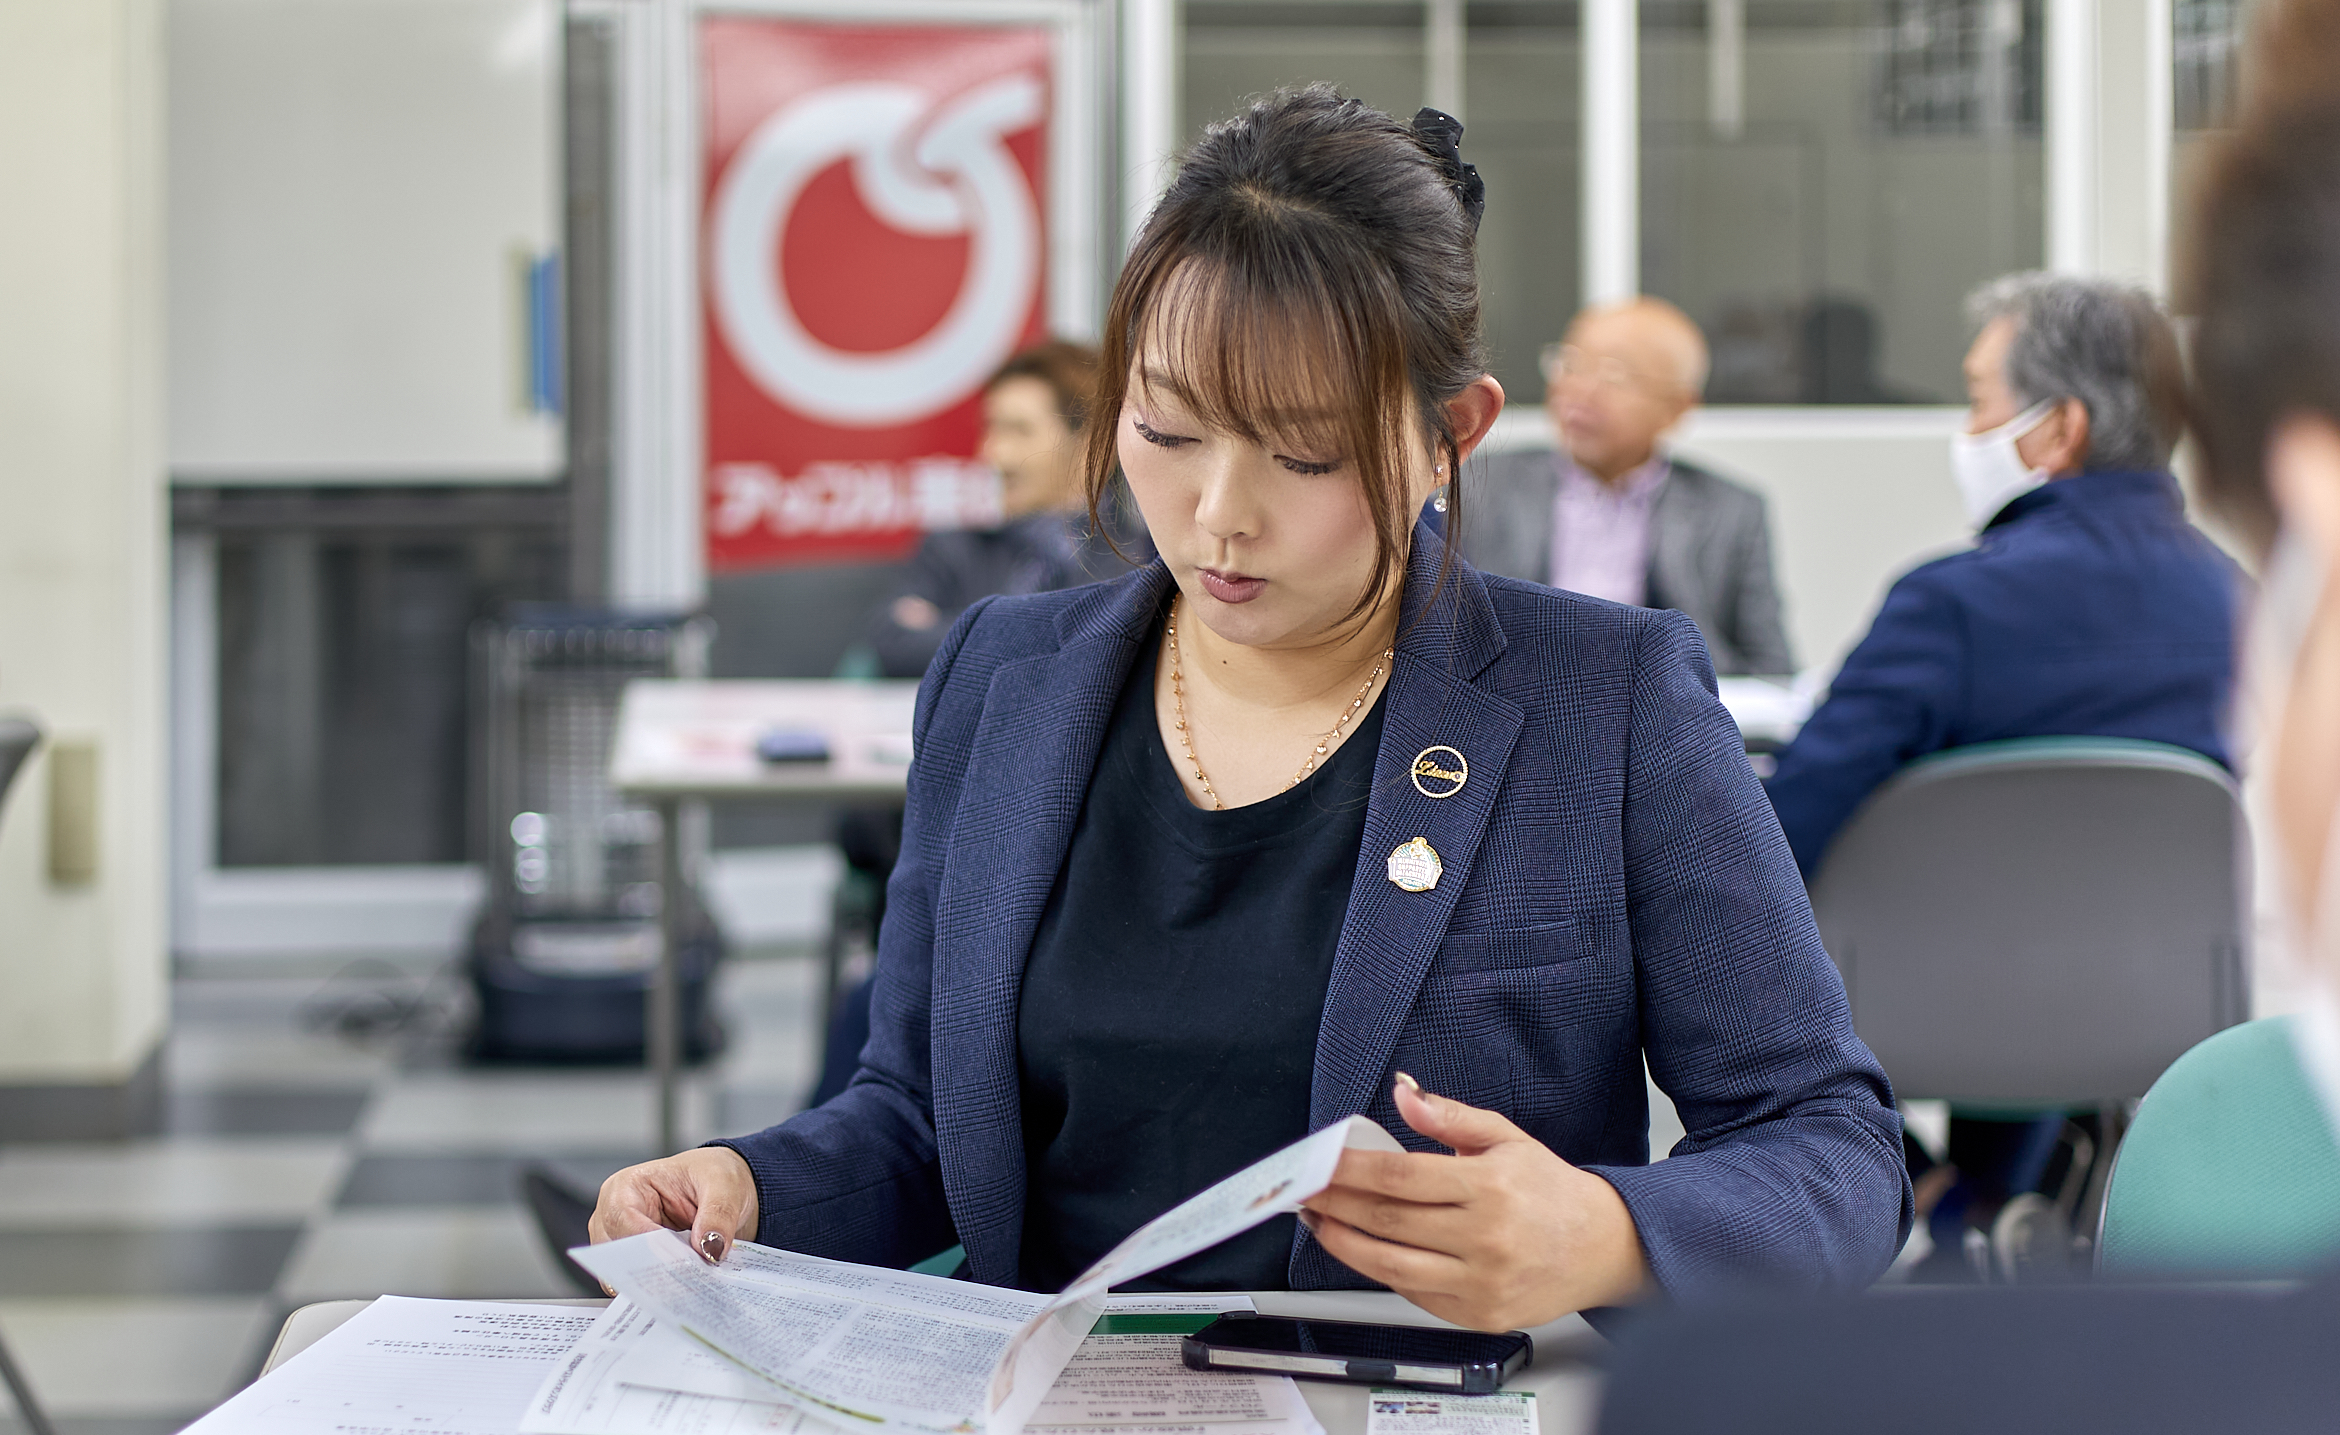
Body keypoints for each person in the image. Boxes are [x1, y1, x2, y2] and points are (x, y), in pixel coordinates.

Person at [1499, 22, 2340, 1435]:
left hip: (1933, 1046)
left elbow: (1777, 830)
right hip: (2164, 1030)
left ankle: (1973, 1185)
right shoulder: (2209, 589)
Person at [586, 91, 1907, 1330]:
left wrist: (1604, 1232)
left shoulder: (1601, 705)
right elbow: (924, 1126)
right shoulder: (1004, 676)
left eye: (1304, 453)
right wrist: (752, 1187)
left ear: (1455, 430)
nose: (1220, 514)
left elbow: (1834, 1151)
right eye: (1166, 431)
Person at [1763, 273, 2238, 880]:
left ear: (2061, 430)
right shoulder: (2241, 602)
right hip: (2178, 972)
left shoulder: (1950, 607)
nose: (1969, 432)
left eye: (1980, 401)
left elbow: (1779, 838)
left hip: (1947, 970)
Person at [1454, 297, 1797, 681]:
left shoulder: (1730, 511)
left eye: (1615, 375)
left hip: (1665, 716)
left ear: (1678, 408)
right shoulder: (1475, 486)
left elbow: (1772, 668)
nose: (1580, 391)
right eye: (1570, 364)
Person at [862, 342, 1152, 679]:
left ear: (1091, 444)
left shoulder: (1142, 558)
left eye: (1019, 431)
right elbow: (894, 644)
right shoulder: (953, 550)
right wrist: (1066, 639)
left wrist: (965, 630)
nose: (994, 454)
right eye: (991, 429)